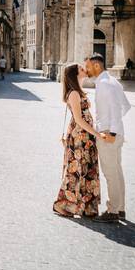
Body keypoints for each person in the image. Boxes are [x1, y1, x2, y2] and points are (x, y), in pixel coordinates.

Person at [84, 53, 132, 223]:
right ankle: (120, 208)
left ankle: (113, 211)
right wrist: (117, 130)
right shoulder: (113, 82)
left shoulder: (104, 84)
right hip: (116, 132)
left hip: (108, 133)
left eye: (88, 66)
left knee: (111, 173)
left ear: (96, 66)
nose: (86, 70)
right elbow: (125, 106)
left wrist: (111, 132)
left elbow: (114, 108)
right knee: (117, 172)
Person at [53, 63, 102, 218]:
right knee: (75, 171)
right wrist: (96, 133)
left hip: (85, 137)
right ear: (75, 74)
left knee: (86, 169)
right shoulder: (74, 93)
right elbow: (79, 120)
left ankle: (86, 207)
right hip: (79, 137)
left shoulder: (79, 91)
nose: (84, 69)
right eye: (81, 69)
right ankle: (63, 205)